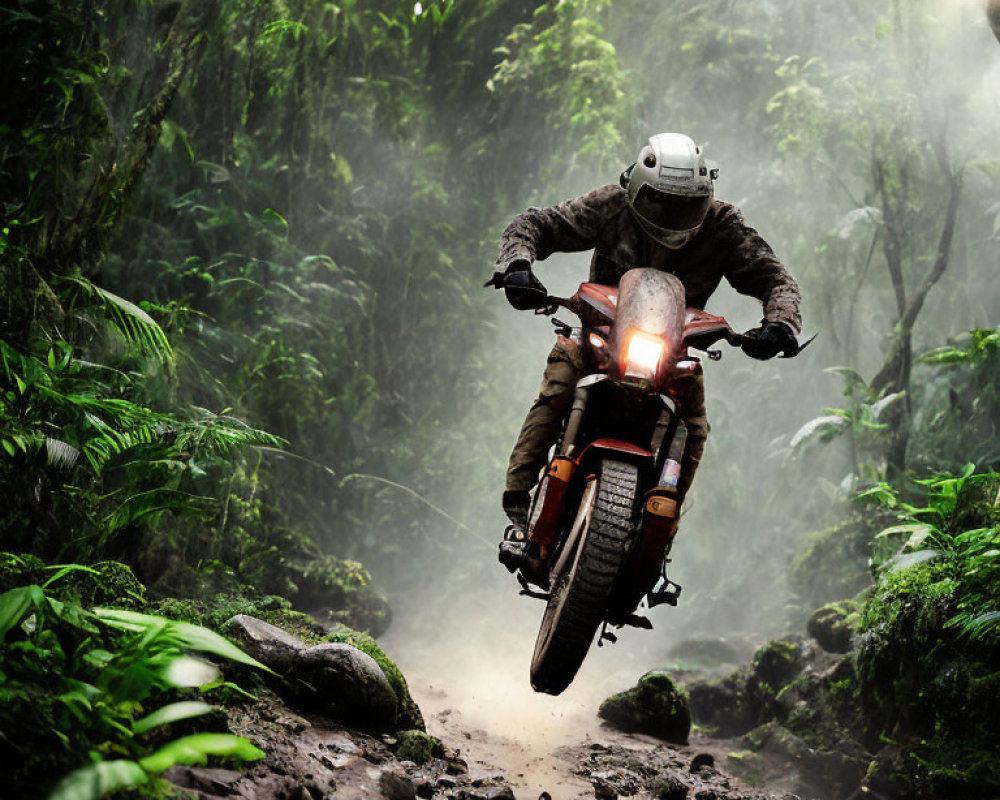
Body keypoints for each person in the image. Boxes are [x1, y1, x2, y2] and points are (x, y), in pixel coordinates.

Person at [486, 132, 802, 563]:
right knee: (562, 374)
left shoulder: (723, 226)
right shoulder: (612, 204)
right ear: (636, 188)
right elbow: (539, 224)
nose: (672, 212)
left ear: (706, 195)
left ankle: (659, 538)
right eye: (660, 200)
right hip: (599, 337)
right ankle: (520, 510)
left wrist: (781, 322)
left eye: (686, 202)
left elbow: (775, 278)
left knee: (693, 425)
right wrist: (516, 262)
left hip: (673, 355)